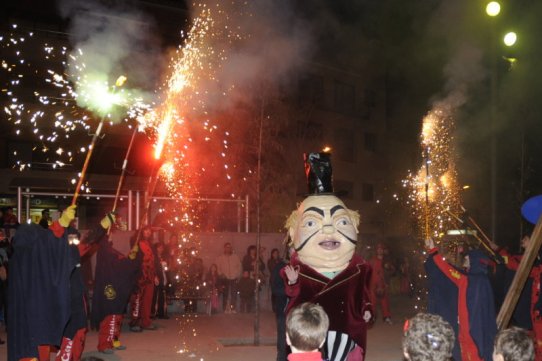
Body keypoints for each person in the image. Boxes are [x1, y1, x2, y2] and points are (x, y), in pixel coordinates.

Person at [281, 152, 373, 361]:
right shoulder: (296, 271)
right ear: (295, 232)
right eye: (312, 223)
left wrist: (367, 309)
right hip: (312, 336)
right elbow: (292, 302)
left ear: (354, 226)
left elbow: (363, 295)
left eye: (341, 221)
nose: (329, 230)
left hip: (348, 333)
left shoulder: (360, 268)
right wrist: (293, 283)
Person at [8, 205, 76, 361]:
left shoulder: (22, 253)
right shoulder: (31, 250)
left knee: (30, 347)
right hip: (34, 316)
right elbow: (48, 241)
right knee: (34, 348)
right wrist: (60, 224)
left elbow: (47, 242)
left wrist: (60, 225)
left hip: (26, 314)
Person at [425, 238, 497, 361]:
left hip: (471, 331)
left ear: (474, 261)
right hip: (469, 329)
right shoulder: (480, 279)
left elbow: (448, 270)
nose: (465, 259)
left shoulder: (469, 280)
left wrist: (434, 251)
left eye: (468, 258)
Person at [91, 223, 142, 354]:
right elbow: (117, 266)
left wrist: (132, 257)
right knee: (110, 317)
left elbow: (120, 262)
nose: (111, 236)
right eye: (109, 234)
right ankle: (104, 345)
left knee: (117, 316)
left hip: (116, 289)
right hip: (109, 290)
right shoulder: (104, 251)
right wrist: (130, 260)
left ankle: (114, 341)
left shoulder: (109, 250)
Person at [129, 225, 158, 332]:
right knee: (137, 298)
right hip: (140, 274)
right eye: (146, 230)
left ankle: (146, 321)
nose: (148, 232)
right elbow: (134, 254)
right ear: (141, 231)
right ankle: (135, 322)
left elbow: (153, 261)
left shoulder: (150, 245)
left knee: (148, 299)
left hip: (149, 275)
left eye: (149, 230)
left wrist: (155, 275)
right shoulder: (135, 241)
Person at [271, 246, 290, 361]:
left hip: (298, 311)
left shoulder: (303, 267)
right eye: (292, 249)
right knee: (283, 338)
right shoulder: (280, 267)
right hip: (283, 309)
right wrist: (290, 289)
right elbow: (275, 289)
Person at [369, 243, 393, 324]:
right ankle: (371, 317)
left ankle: (386, 317)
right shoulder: (372, 260)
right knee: (372, 302)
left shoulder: (386, 261)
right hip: (373, 284)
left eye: (381, 249)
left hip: (383, 284)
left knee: (385, 301)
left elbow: (391, 271)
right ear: (376, 250)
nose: (379, 250)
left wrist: (388, 270)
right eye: (378, 249)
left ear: (383, 250)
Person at [215, 242, 241, 313]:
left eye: (229, 247)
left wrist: (237, 275)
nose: (228, 248)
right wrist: (221, 274)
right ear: (224, 248)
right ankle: (225, 309)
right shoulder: (220, 258)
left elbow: (239, 267)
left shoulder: (235, 257)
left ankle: (233, 308)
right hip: (225, 279)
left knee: (234, 294)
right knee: (225, 294)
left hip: (233, 278)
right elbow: (217, 267)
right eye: (227, 247)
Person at [152, 241, 169, 319]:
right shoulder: (154, 257)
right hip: (156, 276)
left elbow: (167, 268)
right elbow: (152, 268)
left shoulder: (164, 257)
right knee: (155, 295)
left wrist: (166, 267)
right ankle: (153, 313)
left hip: (163, 276)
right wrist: (155, 276)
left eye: (162, 247)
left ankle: (161, 313)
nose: (161, 249)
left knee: (162, 294)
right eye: (159, 247)